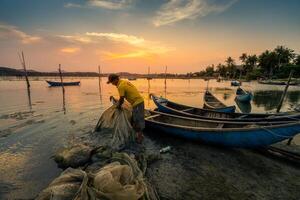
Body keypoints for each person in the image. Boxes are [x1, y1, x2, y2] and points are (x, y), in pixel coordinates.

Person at [107, 74, 144, 143]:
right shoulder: (123, 82)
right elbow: (122, 98)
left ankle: (140, 138)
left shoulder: (120, 86)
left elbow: (121, 99)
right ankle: (138, 135)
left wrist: (118, 106)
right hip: (137, 102)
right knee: (133, 120)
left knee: (137, 121)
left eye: (112, 82)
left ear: (116, 79)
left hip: (138, 103)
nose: (112, 84)